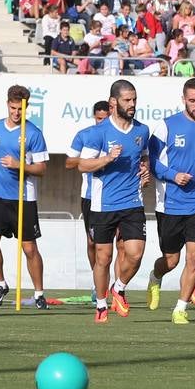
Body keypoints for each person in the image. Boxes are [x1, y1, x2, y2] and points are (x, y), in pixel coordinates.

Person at [77, 80, 151, 324]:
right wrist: (107, 158)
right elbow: (82, 165)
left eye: (134, 100)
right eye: (127, 100)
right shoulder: (98, 133)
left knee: (136, 253)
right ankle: (100, 305)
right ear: (113, 102)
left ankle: (118, 288)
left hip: (132, 201)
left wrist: (146, 171)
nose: (132, 104)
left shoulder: (142, 131)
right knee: (103, 258)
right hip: (103, 204)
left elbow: (143, 158)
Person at [147, 79, 195, 325]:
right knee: (171, 260)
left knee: (194, 257)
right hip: (170, 204)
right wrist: (173, 175)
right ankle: (155, 278)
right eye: (192, 100)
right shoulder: (166, 127)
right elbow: (153, 163)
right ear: (183, 99)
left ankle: (180, 308)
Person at [0, 85, 50, 310]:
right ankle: (1, 284)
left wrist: (20, 165)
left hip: (23, 198)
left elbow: (42, 168)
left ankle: (39, 293)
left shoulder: (33, 133)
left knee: (29, 248)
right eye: (13, 107)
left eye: (21, 109)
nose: (16, 112)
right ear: (7, 104)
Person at [64, 100, 110, 278]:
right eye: (99, 119)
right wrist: (89, 159)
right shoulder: (85, 135)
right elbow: (69, 163)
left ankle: (118, 288)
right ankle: (97, 281)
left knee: (121, 245)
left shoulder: (117, 136)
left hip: (116, 196)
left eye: (105, 119)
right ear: (94, 117)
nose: (102, 122)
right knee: (92, 242)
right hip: (90, 196)